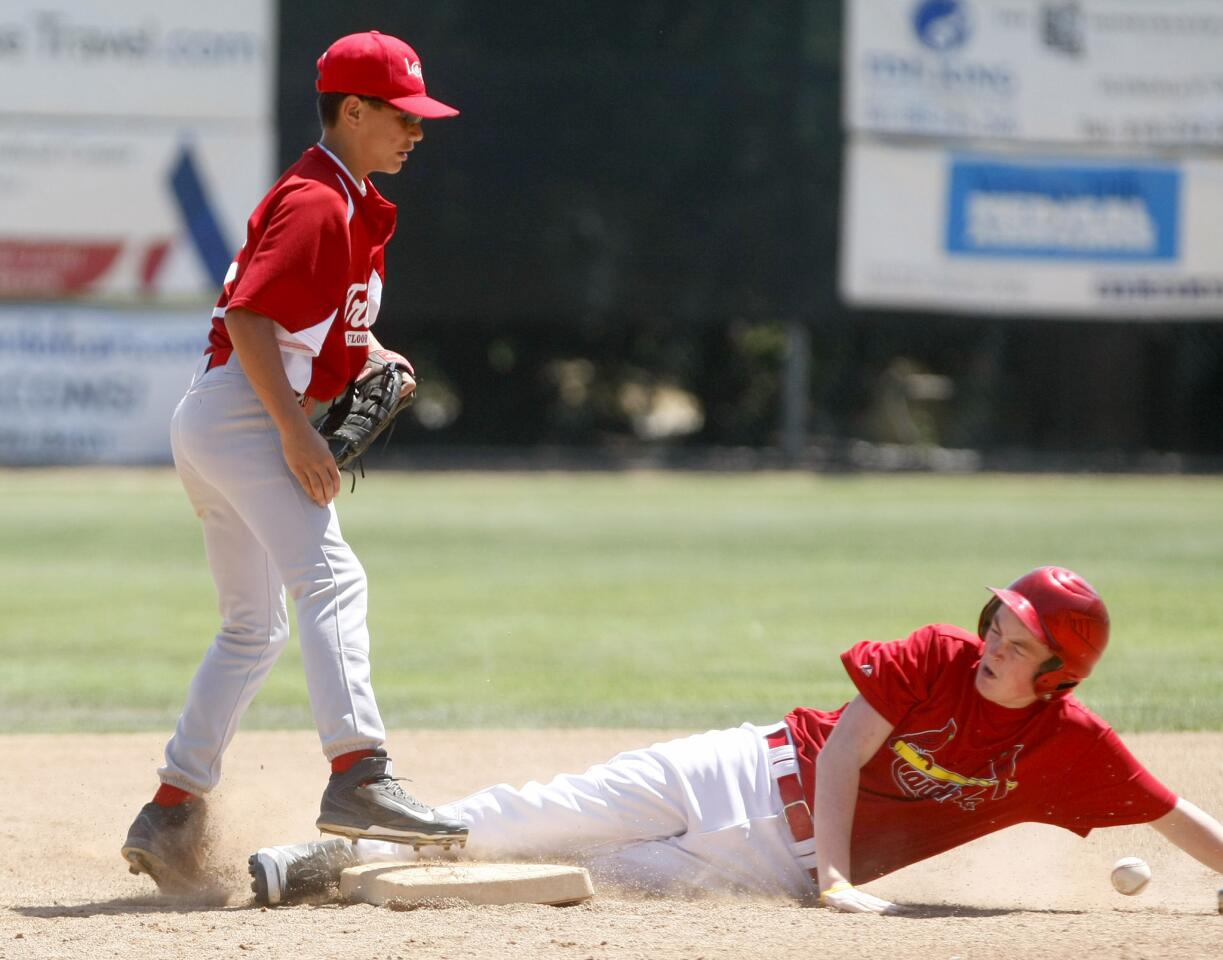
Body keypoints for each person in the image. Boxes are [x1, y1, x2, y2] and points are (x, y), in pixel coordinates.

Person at [245, 567, 1223, 909]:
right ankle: (325, 857)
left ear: (1056, 676)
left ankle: (356, 882)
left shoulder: (1069, 745)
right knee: (533, 816)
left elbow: (1174, 816)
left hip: (768, 867)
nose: (991, 648)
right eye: (996, 626)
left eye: (1017, 648)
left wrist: (813, 877)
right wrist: (837, 884)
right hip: (742, 771)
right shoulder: (934, 654)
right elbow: (841, 752)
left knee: (570, 874)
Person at [121, 30, 468, 893]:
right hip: (242, 413)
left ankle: (170, 808)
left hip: (216, 418)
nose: (416, 131)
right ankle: (359, 772)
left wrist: (371, 351)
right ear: (352, 110)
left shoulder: (342, 196)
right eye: (402, 114)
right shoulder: (318, 200)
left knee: (254, 625)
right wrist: (293, 430)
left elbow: (304, 321)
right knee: (332, 579)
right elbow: (246, 315)